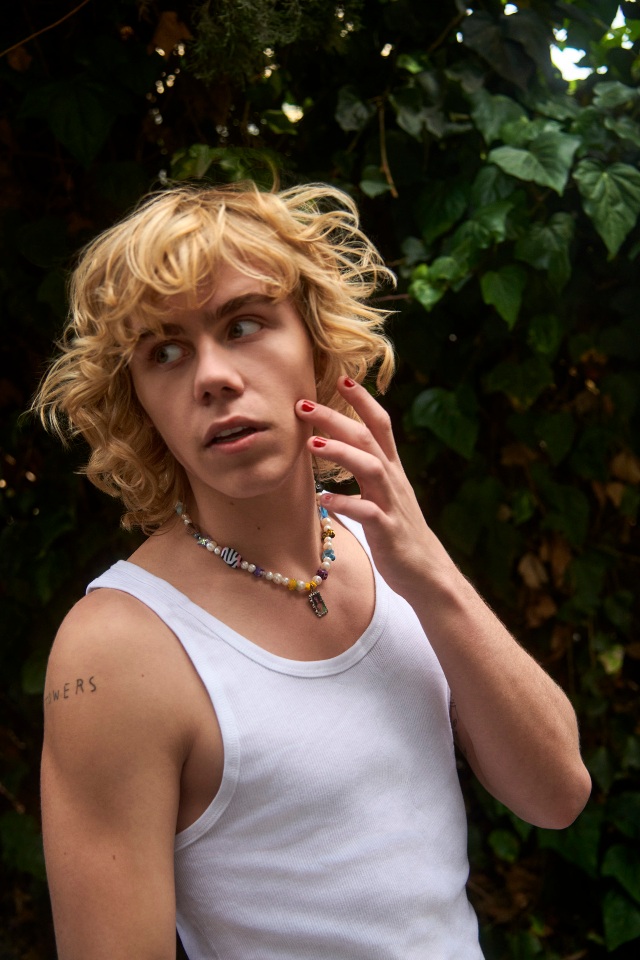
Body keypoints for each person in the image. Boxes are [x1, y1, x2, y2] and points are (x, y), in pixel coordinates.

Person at [34, 180, 591, 960]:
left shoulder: (386, 549)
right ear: (142, 404)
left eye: (244, 324)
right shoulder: (117, 649)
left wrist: (429, 572)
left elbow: (557, 795)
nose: (211, 375)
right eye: (165, 351)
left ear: (317, 348)